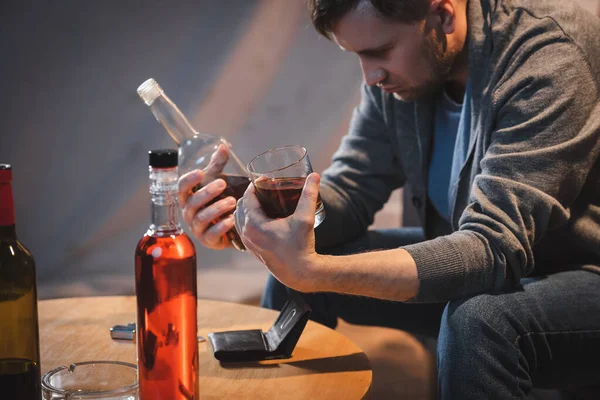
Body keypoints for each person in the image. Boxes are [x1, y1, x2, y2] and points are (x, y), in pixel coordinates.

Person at [178, 0, 600, 398]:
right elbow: (352, 190)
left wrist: (313, 271)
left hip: (583, 269)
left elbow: (492, 249)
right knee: (296, 264)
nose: (370, 77)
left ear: (442, 14)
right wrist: (262, 218)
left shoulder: (548, 58)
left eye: (380, 51)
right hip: (494, 254)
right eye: (358, 55)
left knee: (479, 321)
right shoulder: (402, 77)